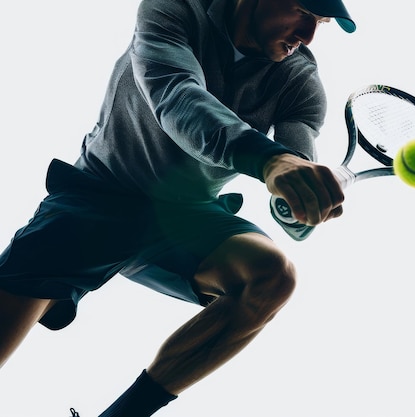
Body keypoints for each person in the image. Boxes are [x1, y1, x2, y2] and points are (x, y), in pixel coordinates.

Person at [0, 0, 356, 415]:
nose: (308, 35)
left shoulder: (301, 83)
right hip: (100, 195)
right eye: (301, 11)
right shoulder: (174, 10)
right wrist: (270, 161)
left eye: (321, 22)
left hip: (185, 218)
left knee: (274, 277)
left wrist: (300, 202)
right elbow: (176, 97)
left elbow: (293, 176)